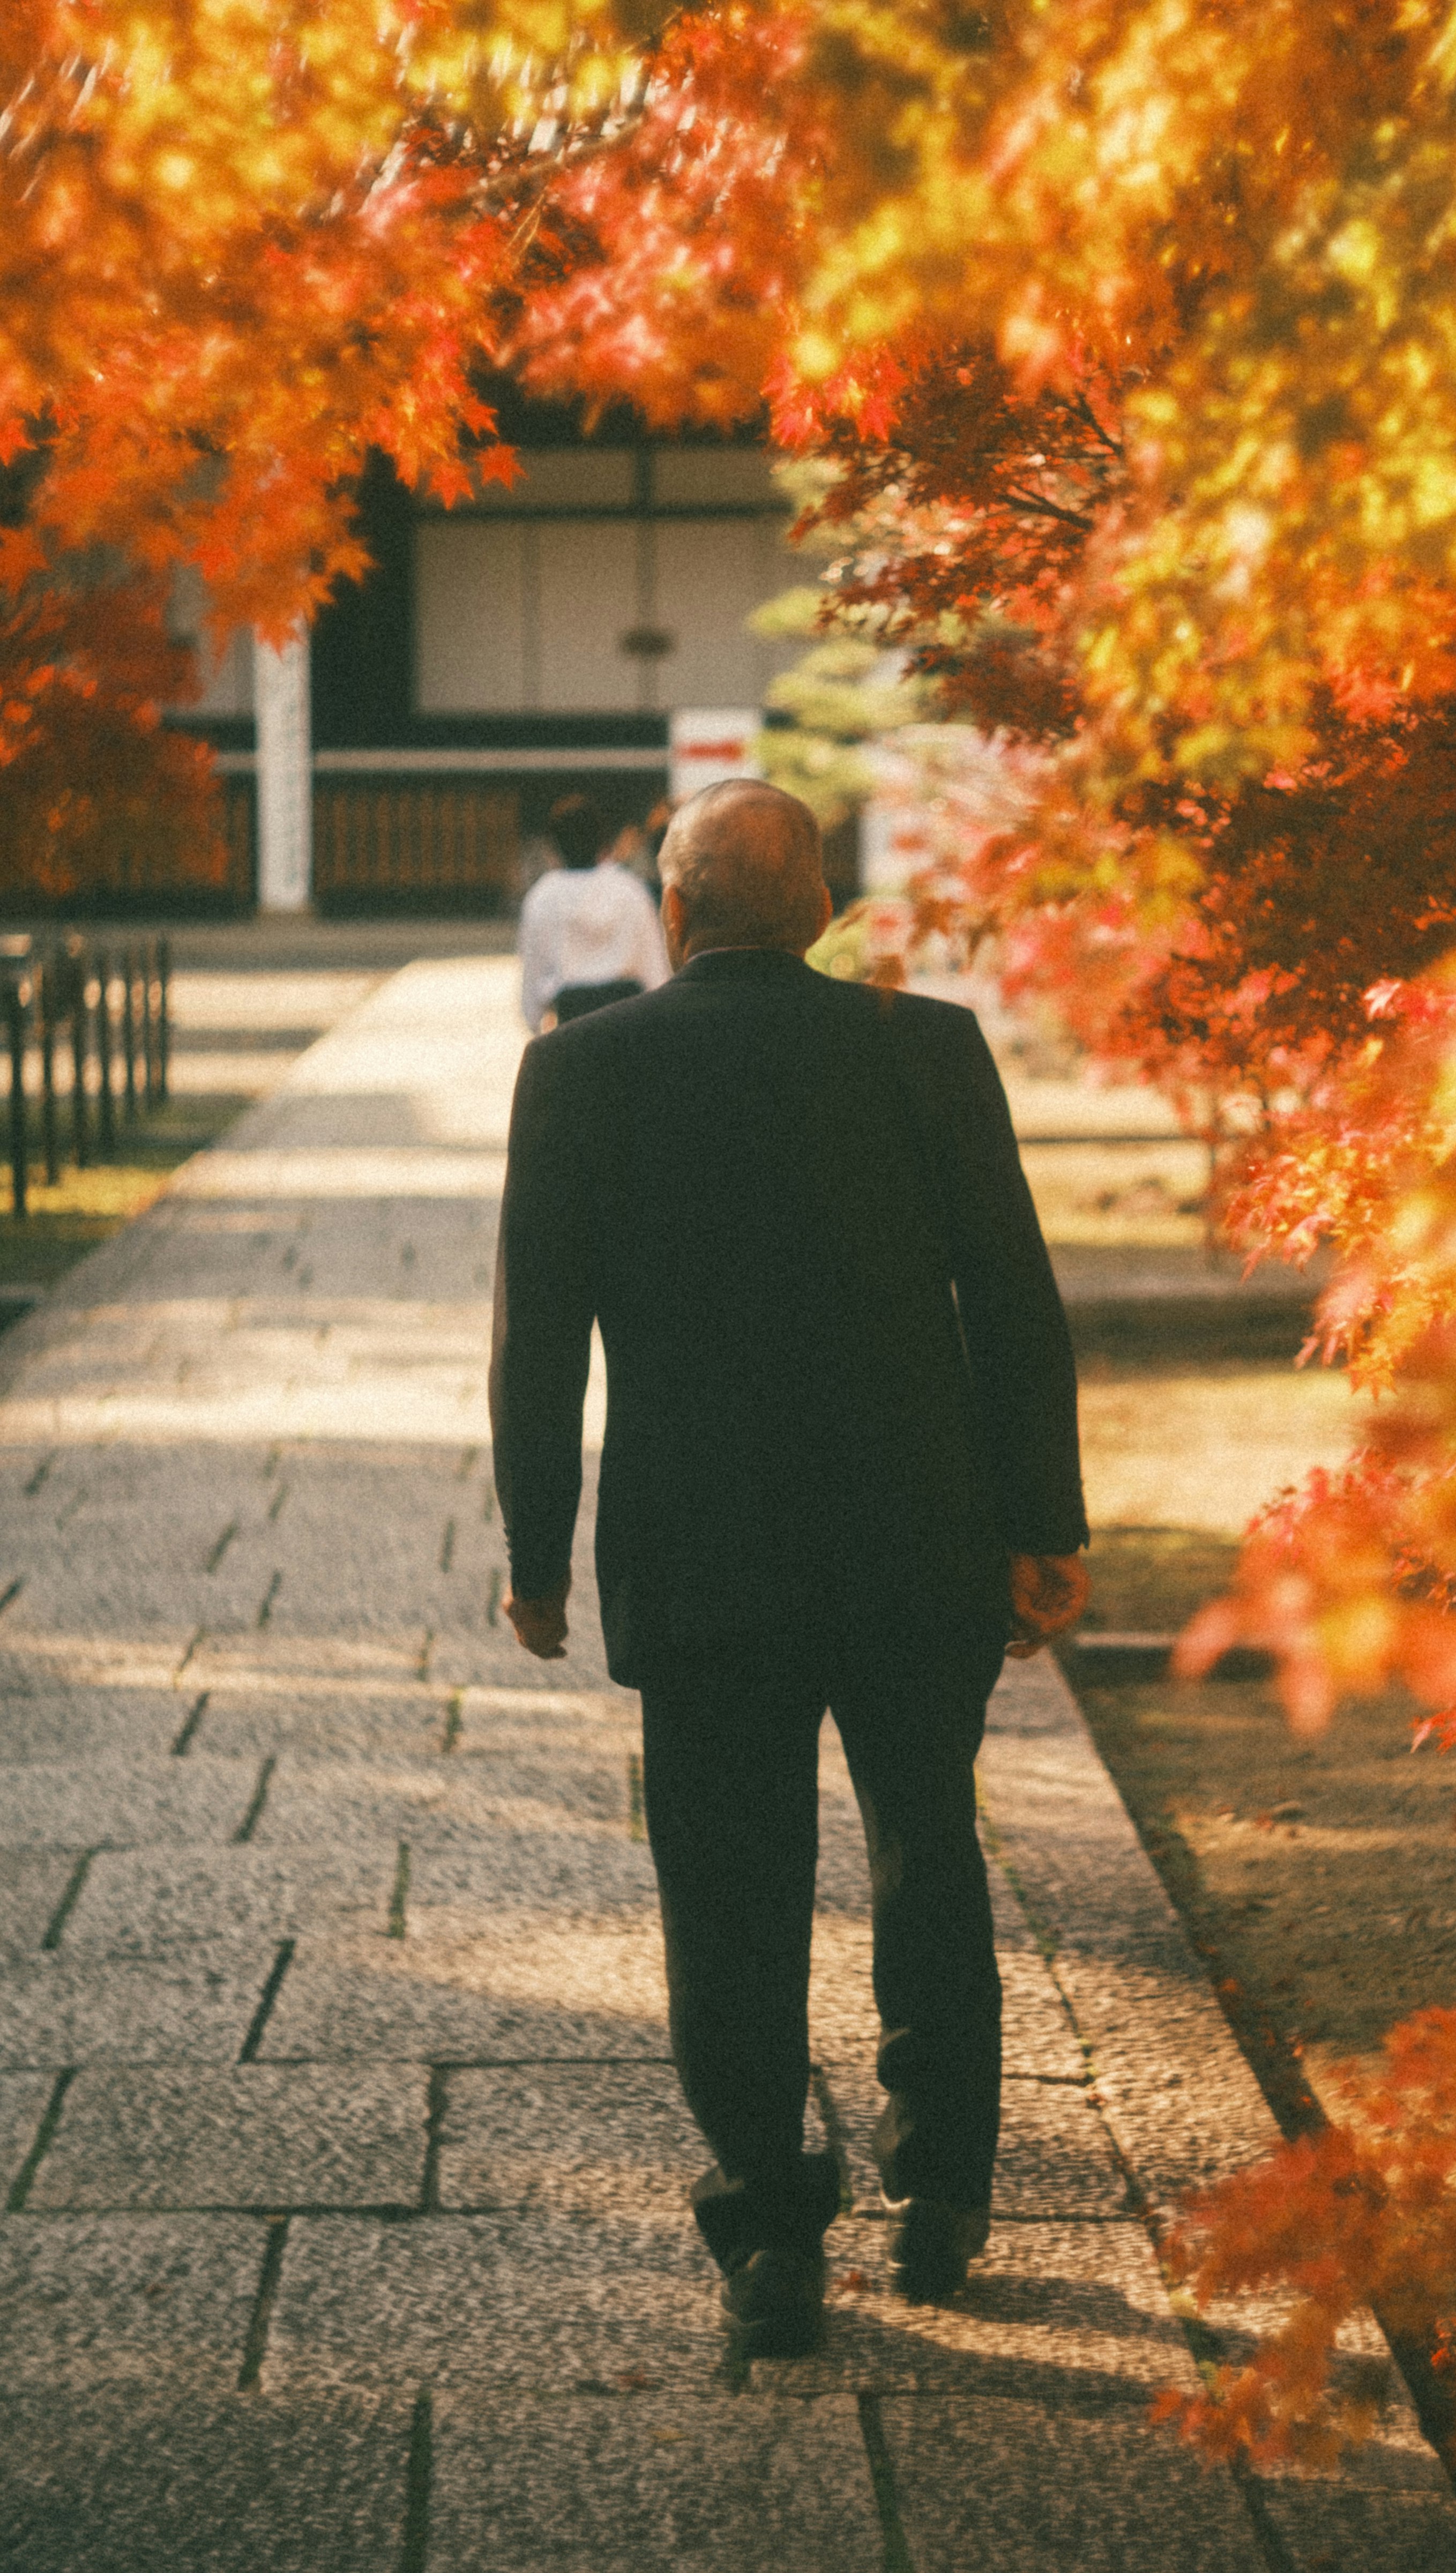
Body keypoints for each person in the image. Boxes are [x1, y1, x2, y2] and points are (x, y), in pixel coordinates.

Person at [489, 779, 1091, 2360]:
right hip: (919, 1536)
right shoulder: (926, 1050)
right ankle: (945, 2192)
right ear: (822, 908)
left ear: (672, 917)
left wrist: (535, 1551)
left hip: (702, 1552)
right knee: (924, 1850)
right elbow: (1013, 1301)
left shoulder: (583, 1073)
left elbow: (534, 1340)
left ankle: (766, 2225)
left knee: (730, 1888)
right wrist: (1046, 1525)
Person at [516, 793, 670, 1031]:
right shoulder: (629, 890)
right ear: (603, 843)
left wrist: (534, 1023)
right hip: (629, 1026)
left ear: (554, 847)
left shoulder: (543, 897)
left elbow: (534, 977)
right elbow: (654, 967)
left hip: (573, 1025)